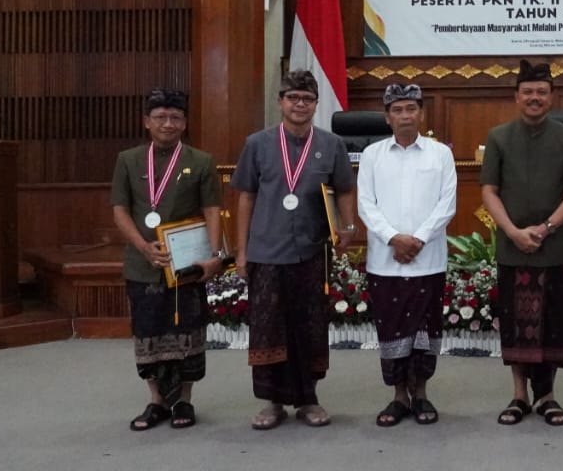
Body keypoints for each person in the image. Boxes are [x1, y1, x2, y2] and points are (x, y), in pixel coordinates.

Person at [230, 70, 357, 430]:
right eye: (293, 98)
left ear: (316, 104)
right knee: (269, 329)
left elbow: (345, 189)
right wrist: (241, 251)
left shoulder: (331, 144)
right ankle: (272, 402)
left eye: (307, 99)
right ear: (280, 102)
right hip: (266, 252)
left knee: (309, 327)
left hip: (312, 252)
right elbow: (245, 197)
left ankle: (308, 399)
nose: (300, 104)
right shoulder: (257, 144)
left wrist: (348, 227)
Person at [481, 59, 563, 427]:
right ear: (516, 97)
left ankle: (547, 396)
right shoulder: (498, 137)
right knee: (515, 323)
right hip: (512, 246)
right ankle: (519, 396)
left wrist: (546, 228)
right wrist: (513, 231)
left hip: (553, 246)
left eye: (541, 92)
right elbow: (489, 191)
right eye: (527, 91)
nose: (534, 97)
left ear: (551, 97)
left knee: (552, 322)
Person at [111, 88, 225, 431]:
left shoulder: (200, 161)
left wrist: (214, 255)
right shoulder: (128, 160)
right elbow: (120, 210)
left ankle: (184, 401)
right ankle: (156, 401)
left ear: (185, 123)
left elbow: (212, 209)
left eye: (175, 117)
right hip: (143, 263)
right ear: (146, 122)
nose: (168, 124)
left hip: (187, 265)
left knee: (187, 331)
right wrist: (143, 246)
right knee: (148, 331)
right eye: (160, 117)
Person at [357, 83, 457, 427]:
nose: (405, 116)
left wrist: (418, 240)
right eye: (397, 110)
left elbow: (447, 204)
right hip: (386, 262)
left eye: (411, 109)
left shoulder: (440, 154)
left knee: (426, 329)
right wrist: (393, 238)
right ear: (387, 117)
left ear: (421, 114)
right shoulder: (372, 155)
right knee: (392, 329)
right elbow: (366, 205)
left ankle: (422, 393)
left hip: (428, 260)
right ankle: (399, 396)